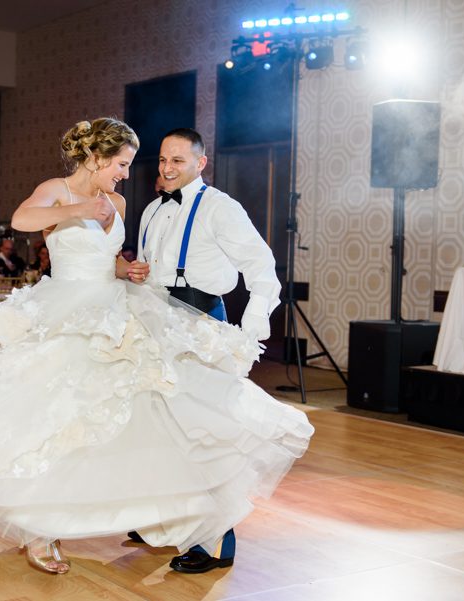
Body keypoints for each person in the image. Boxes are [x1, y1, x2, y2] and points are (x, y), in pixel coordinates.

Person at [0, 118, 312, 576]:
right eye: (124, 163)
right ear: (97, 158)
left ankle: (183, 524)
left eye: (168, 161)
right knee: (56, 419)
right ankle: (43, 526)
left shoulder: (130, 202)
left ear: (200, 163)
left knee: (158, 415)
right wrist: (79, 213)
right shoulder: (61, 190)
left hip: (140, 313)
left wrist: (122, 269)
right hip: (68, 312)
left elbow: (110, 257)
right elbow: (23, 219)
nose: (133, 172)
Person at [135, 127, 286, 572]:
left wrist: (249, 332)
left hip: (202, 324)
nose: (167, 168)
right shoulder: (149, 210)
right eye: (163, 160)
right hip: (154, 323)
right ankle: (163, 522)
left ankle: (214, 542)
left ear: (201, 163)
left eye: (178, 160)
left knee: (203, 434)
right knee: (158, 427)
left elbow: (263, 270)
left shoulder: (222, 208)